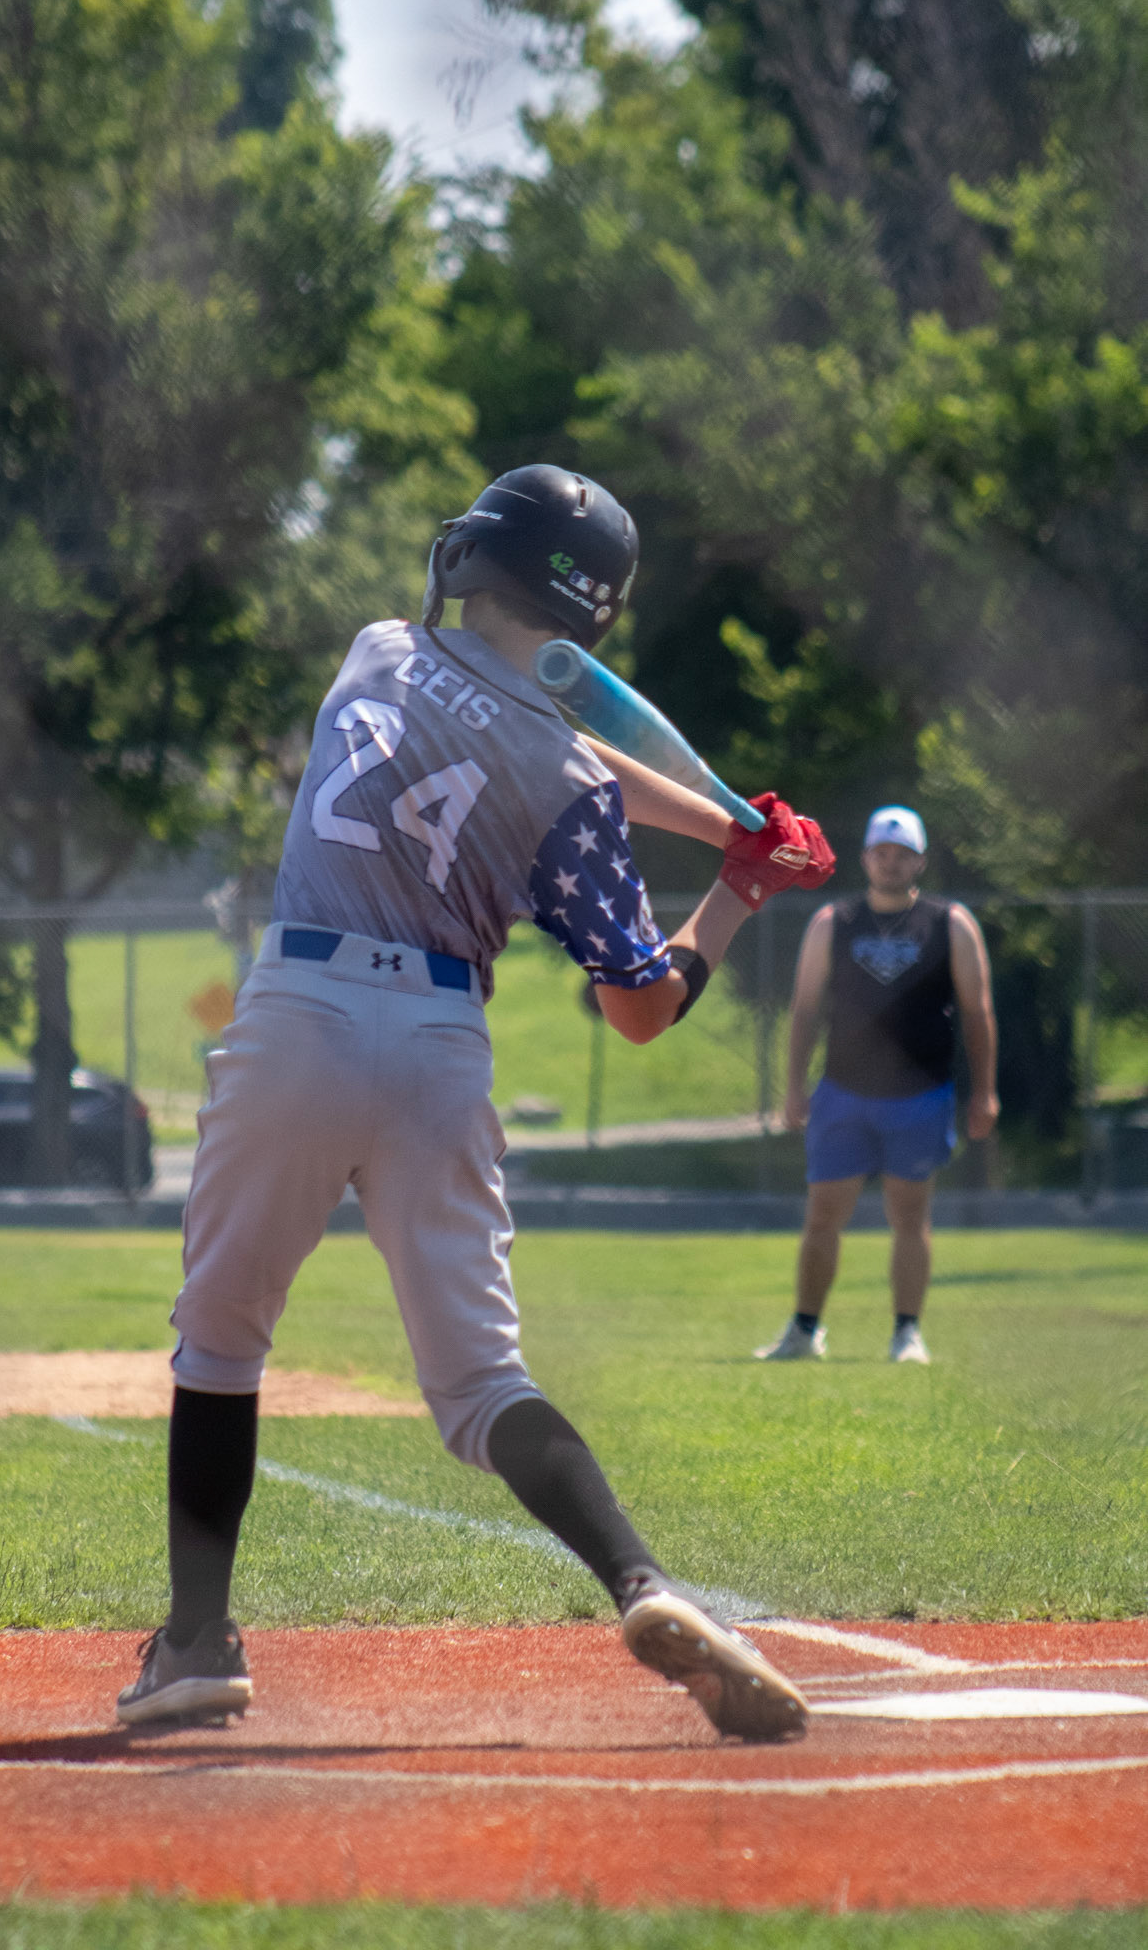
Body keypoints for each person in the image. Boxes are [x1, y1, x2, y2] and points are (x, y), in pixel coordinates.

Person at [118, 465, 834, 1743]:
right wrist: (737, 882)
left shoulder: (380, 650)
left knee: (221, 1340)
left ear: (477, 562)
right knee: (482, 1378)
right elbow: (638, 1000)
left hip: (300, 1010)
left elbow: (530, 726)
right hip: (440, 1043)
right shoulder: (569, 786)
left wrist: (720, 831)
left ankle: (195, 1644)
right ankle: (644, 1581)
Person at [755, 805, 999, 1367]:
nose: (891, 864)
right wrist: (794, 1087)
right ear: (865, 858)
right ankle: (805, 1330)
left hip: (920, 1095)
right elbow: (805, 1009)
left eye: (903, 855)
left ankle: (906, 1333)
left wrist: (985, 1090)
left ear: (920, 862)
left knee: (910, 1218)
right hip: (843, 1093)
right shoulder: (833, 922)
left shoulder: (950, 923)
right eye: (882, 853)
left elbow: (977, 1011)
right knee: (823, 1215)